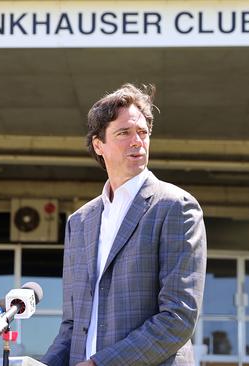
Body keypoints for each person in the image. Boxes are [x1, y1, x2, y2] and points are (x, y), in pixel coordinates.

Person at [41, 84, 207, 366]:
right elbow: (72, 325)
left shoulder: (176, 207)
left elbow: (178, 317)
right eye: (124, 133)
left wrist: (100, 363)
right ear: (98, 145)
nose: (137, 141)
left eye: (142, 133)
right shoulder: (79, 222)